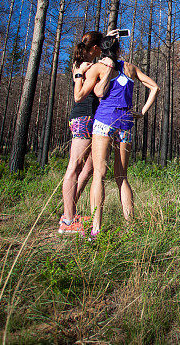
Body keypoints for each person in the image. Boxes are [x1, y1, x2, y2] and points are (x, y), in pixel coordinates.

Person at [76, 34, 159, 240]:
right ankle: (131, 227)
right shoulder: (130, 67)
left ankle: (96, 230)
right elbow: (155, 87)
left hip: (104, 121)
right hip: (126, 122)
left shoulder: (97, 68)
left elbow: (89, 95)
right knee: (121, 177)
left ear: (101, 51)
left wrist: (84, 74)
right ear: (119, 50)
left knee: (99, 175)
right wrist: (142, 111)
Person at [58, 30, 103, 234]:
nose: (103, 49)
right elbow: (80, 94)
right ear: (94, 48)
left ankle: (70, 211)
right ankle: (67, 221)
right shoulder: (84, 66)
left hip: (90, 118)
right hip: (83, 117)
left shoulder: (84, 62)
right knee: (74, 167)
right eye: (101, 46)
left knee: (91, 166)